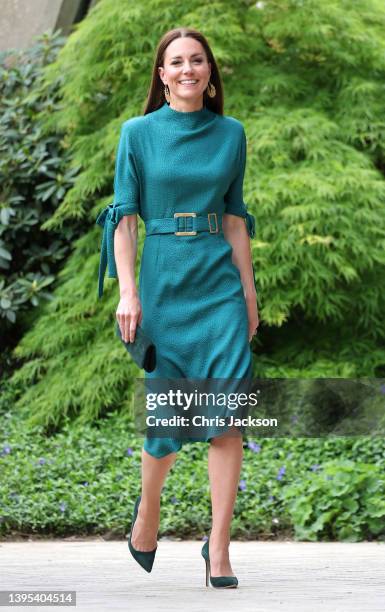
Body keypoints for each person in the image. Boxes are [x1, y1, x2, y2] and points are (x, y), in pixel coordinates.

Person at [96, 27, 259, 588]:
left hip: (219, 289)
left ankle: (218, 550)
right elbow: (123, 217)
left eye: (197, 60)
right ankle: (149, 511)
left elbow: (235, 219)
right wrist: (128, 291)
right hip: (164, 283)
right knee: (167, 417)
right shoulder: (137, 134)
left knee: (228, 416)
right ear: (162, 75)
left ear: (210, 72)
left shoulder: (232, 134)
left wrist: (249, 293)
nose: (188, 69)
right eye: (176, 62)